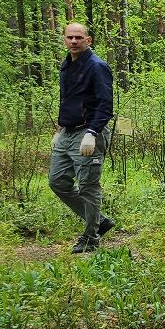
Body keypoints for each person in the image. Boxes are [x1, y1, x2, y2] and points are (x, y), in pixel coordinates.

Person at [49, 23, 116, 253]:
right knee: (57, 182)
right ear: (64, 40)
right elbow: (68, 100)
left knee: (88, 185)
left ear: (88, 40)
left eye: (79, 37)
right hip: (67, 132)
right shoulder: (66, 65)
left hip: (88, 132)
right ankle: (100, 220)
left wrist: (93, 132)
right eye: (70, 37)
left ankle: (91, 237)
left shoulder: (97, 67)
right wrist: (59, 130)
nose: (74, 41)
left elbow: (106, 105)